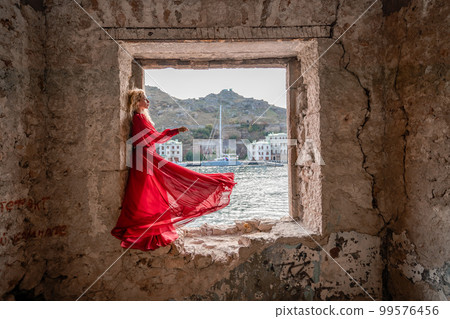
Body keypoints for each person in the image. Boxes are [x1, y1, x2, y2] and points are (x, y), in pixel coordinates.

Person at [111, 88, 236, 251]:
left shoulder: (143, 118)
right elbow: (154, 138)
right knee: (145, 192)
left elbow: (152, 138)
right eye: (144, 99)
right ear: (137, 102)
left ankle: (148, 229)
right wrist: (175, 131)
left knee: (153, 189)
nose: (148, 101)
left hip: (147, 157)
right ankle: (142, 229)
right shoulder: (138, 118)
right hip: (143, 158)